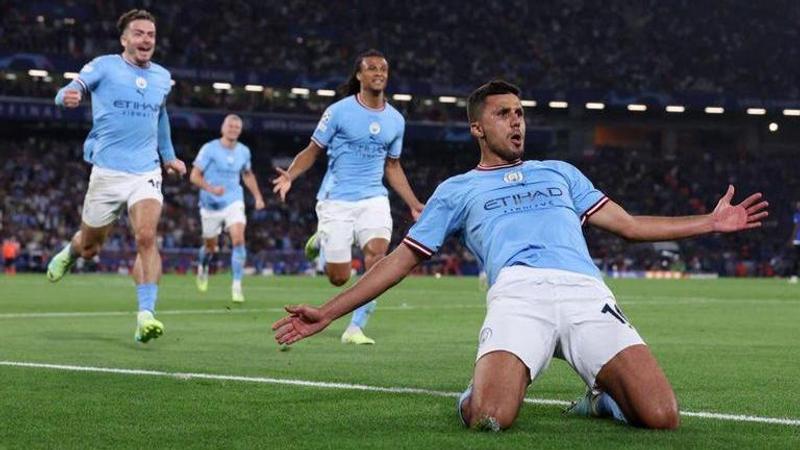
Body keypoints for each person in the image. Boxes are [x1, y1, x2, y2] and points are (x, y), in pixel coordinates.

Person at [272, 80, 769, 430]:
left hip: (584, 292)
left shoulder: (560, 172)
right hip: (518, 295)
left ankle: (600, 404)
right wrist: (329, 313)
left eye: (520, 113)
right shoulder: (457, 190)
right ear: (477, 129)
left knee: (662, 418)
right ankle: (478, 390)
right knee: (488, 419)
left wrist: (709, 222)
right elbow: (401, 259)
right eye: (503, 114)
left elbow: (631, 226)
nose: (516, 122)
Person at [46, 9, 187, 344]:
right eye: (138, 33)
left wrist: (168, 157)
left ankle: (145, 315)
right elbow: (70, 87)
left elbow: (161, 115)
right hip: (108, 171)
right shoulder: (104, 66)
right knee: (91, 247)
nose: (146, 40)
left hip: (146, 171)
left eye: (151, 34)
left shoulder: (162, 77)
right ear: (124, 39)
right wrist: (67, 96)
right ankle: (71, 251)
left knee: (146, 238)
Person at [271, 49, 424, 345]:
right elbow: (312, 150)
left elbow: (393, 166)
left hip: (373, 198)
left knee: (378, 257)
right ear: (359, 75)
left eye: (383, 68)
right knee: (338, 278)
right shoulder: (338, 111)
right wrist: (290, 175)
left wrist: (413, 203)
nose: (379, 72)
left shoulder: (395, 120)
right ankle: (322, 240)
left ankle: (355, 327)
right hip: (336, 199)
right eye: (372, 68)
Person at [191, 114, 265, 302]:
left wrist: (257, 197)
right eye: (230, 126)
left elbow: (247, 175)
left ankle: (237, 286)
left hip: (234, 199)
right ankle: (203, 265)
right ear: (223, 128)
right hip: (210, 203)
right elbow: (194, 176)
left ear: (240, 131)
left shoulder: (244, 151)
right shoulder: (209, 149)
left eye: (237, 127)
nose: (233, 129)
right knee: (210, 247)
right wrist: (211, 189)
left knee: (238, 239)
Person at [790, 201, 800, 283]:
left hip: (797, 240)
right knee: (795, 259)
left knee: (795, 259)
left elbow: (796, 227)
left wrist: (792, 239)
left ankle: (794, 276)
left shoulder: (797, 216)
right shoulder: (796, 215)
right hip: (798, 240)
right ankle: (794, 275)